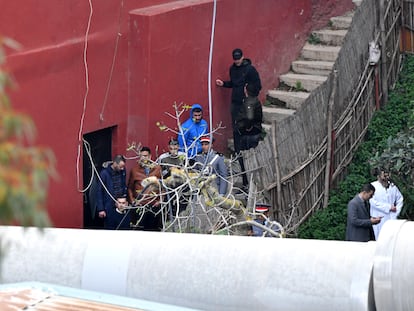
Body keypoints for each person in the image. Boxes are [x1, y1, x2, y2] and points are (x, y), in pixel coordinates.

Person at [234, 83, 264, 186]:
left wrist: (247, 127)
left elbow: (249, 118)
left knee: (245, 159)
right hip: (254, 133)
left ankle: (247, 183)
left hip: (248, 135)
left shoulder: (249, 102)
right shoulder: (256, 101)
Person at [127, 146, 162, 231]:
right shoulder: (134, 170)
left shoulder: (157, 169)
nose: (143, 158)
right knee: (139, 230)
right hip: (140, 205)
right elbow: (130, 188)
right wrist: (132, 201)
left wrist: (160, 200)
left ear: (150, 156)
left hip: (153, 204)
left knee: (153, 230)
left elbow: (163, 186)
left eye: (145, 156)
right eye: (142, 156)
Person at [96, 155, 130, 230]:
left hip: (120, 203)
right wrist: (101, 209)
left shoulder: (122, 171)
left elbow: (123, 185)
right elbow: (99, 191)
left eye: (123, 166)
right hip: (109, 204)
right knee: (110, 226)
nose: (122, 168)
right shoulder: (104, 173)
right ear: (115, 163)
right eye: (120, 166)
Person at [369, 168, 403, 240]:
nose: (385, 177)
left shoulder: (392, 186)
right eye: (383, 175)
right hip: (378, 217)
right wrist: (388, 207)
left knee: (391, 238)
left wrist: (396, 211)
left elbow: (400, 199)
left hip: (392, 217)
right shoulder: (373, 186)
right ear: (378, 176)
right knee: (379, 238)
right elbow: (372, 201)